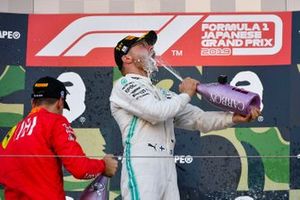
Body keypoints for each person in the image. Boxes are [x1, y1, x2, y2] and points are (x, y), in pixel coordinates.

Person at [110, 30, 260, 200]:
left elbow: (199, 119)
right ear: (126, 58)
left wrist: (232, 118)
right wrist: (186, 94)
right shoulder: (124, 85)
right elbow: (156, 112)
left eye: (150, 45)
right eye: (142, 46)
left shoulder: (163, 94)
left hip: (167, 165)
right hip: (143, 165)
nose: (150, 48)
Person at [0, 76, 118, 200]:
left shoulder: (11, 133)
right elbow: (80, 169)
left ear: (32, 102)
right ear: (60, 102)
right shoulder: (55, 121)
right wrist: (104, 166)